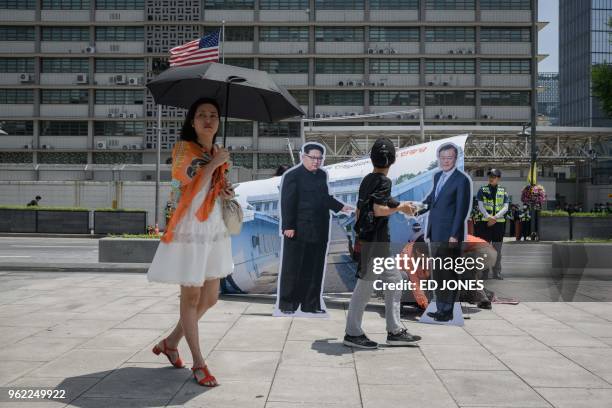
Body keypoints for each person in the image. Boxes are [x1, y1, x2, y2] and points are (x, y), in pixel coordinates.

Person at [147, 98, 235, 388]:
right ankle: (199, 363)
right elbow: (188, 182)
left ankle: (171, 342)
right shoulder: (184, 149)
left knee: (211, 297)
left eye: (213, 115)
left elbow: (212, 188)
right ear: (193, 121)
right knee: (192, 296)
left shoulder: (215, 152)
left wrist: (224, 187)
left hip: (212, 227)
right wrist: (215, 164)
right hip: (190, 227)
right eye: (202, 115)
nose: (208, 119)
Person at [344, 138, 421, 348]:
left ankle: (394, 331)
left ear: (372, 159)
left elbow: (376, 201)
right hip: (376, 244)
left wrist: (400, 204)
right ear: (393, 161)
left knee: (394, 282)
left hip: (372, 243)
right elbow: (379, 209)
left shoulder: (368, 179)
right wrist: (399, 209)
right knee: (364, 288)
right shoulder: (384, 181)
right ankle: (352, 333)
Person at [277, 143, 352, 314]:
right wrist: (288, 226)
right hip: (298, 229)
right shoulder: (292, 176)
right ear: (303, 156)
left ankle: (311, 304)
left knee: (315, 269)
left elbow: (324, 198)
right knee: (293, 268)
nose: (317, 162)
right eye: (313, 158)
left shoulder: (321, 175)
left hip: (319, 229)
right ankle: (288, 304)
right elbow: (287, 202)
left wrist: (341, 207)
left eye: (320, 158)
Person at [422, 143, 472, 322]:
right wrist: (416, 209)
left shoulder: (462, 180)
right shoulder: (437, 177)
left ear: (455, 158)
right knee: (438, 272)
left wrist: (454, 235)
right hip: (435, 233)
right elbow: (431, 200)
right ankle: (440, 307)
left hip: (450, 235)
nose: (445, 161)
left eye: (449, 158)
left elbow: (461, 210)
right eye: (442, 158)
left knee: (449, 272)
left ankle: (448, 311)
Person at [476, 169, 509, 280]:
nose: (491, 178)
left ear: (498, 178)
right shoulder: (482, 190)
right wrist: (488, 217)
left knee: (497, 249)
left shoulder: (503, 191)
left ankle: (496, 272)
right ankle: (485, 273)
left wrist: (495, 217)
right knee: (484, 249)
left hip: (498, 224)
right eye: (490, 176)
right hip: (485, 223)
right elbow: (480, 206)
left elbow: (505, 207)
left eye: (494, 176)